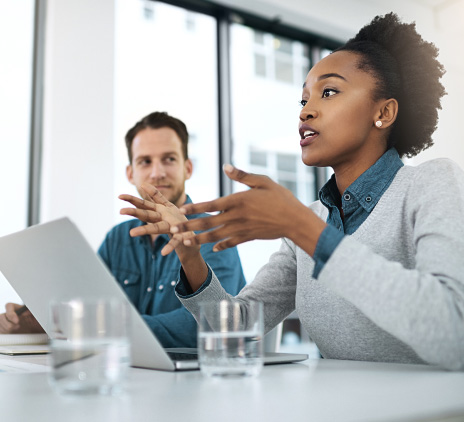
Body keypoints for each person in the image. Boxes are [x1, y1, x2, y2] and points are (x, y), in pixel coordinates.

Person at [120, 13, 464, 371]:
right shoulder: (310, 220)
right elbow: (235, 328)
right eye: (303, 100)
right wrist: (190, 255)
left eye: (328, 92)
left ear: (384, 111)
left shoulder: (431, 183)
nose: (306, 112)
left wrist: (301, 226)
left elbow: (454, 330)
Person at [0, 112, 246, 348]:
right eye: (145, 161)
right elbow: (84, 303)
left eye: (169, 159)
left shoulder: (214, 233)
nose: (157, 172)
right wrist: (42, 320)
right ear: (131, 173)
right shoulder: (118, 238)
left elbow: (206, 325)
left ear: (188, 168)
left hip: (195, 381)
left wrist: (97, 328)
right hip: (127, 374)